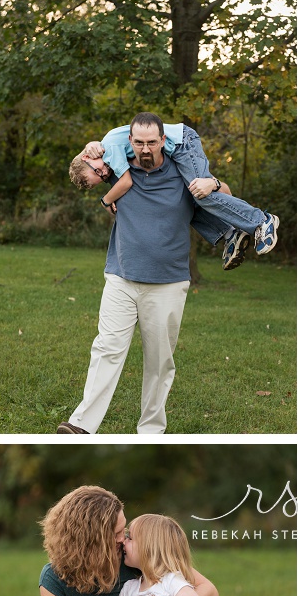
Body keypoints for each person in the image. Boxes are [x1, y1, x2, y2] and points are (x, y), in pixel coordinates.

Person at [56, 112, 230, 434]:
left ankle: (151, 430)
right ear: (131, 142)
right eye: (139, 143)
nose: (145, 149)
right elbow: (91, 158)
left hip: (168, 283)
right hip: (121, 277)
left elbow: (225, 201)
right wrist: (90, 147)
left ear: (164, 141)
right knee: (106, 348)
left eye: (152, 142)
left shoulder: (183, 172)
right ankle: (81, 426)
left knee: (159, 361)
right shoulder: (115, 171)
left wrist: (215, 183)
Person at [39, 485, 274, 596]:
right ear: (92, 539)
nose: (123, 539)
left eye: (126, 533)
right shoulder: (55, 577)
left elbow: (209, 590)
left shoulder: (133, 559)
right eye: (118, 533)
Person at [69, 120, 279, 269]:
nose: (105, 172)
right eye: (102, 178)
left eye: (98, 170)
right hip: (176, 148)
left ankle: (261, 221)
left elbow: (125, 182)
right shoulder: (107, 152)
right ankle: (230, 234)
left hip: (182, 143)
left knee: (200, 191)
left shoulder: (109, 148)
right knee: (184, 200)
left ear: (88, 156)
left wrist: (106, 200)